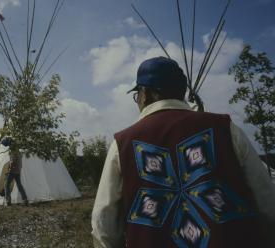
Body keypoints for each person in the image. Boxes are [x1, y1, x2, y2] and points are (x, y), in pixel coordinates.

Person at [91, 56, 275, 247]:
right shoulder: (226, 129)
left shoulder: (122, 143)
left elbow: (104, 223)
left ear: (146, 93)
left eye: (137, 95)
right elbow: (266, 199)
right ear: (182, 92)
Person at [3, 139, 28, 205]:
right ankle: (25, 199)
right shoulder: (19, 152)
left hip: (13, 171)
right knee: (19, 185)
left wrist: (9, 170)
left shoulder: (13, 152)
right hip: (18, 171)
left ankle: (8, 201)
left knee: (6, 185)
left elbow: (12, 162)